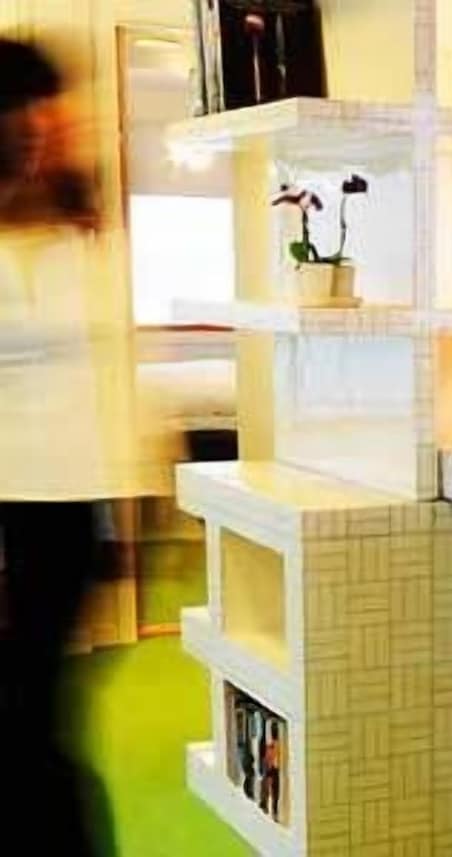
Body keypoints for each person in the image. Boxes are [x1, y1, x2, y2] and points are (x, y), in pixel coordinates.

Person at [0, 36, 114, 855]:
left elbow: (97, 376)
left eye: (49, 108)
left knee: (38, 713)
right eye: (26, 110)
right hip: (11, 500)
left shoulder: (79, 220)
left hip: (66, 504)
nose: (44, 126)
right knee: (25, 721)